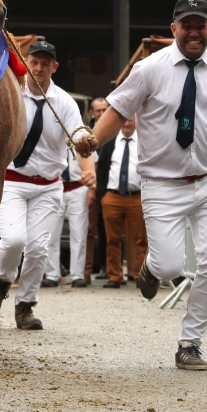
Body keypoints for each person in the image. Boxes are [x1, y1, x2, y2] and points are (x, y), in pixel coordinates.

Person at [76, 0, 207, 371]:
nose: (193, 32)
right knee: (173, 266)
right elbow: (118, 111)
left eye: (200, 25)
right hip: (161, 183)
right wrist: (93, 140)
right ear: (173, 28)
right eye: (186, 25)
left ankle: (190, 343)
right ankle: (155, 268)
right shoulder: (148, 70)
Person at [0, 38, 91, 330]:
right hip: (11, 182)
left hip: (48, 185)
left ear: (54, 67)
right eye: (34, 62)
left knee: (38, 248)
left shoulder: (65, 102)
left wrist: (82, 139)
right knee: (14, 240)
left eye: (46, 63)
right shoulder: (11, 95)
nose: (39, 68)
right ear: (26, 63)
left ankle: (25, 307)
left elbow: (77, 129)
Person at [94, 116, 147, 288]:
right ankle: (114, 276)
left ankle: (140, 275)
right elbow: (101, 167)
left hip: (136, 196)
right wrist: (103, 195)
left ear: (136, 121)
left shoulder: (144, 142)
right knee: (112, 239)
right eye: (124, 120)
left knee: (141, 240)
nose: (127, 123)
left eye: (131, 120)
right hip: (112, 196)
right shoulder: (110, 142)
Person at [44, 151, 95, 288]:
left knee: (79, 233)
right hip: (54, 187)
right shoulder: (52, 131)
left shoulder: (82, 134)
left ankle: (77, 275)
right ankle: (51, 275)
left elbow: (92, 164)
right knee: (51, 233)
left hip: (78, 187)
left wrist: (92, 188)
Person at [86, 97, 109, 282]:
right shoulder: (85, 131)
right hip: (92, 186)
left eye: (104, 110)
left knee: (107, 230)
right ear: (92, 113)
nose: (101, 113)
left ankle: (106, 267)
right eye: (98, 110)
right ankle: (87, 272)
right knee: (89, 230)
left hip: (110, 187)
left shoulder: (113, 129)